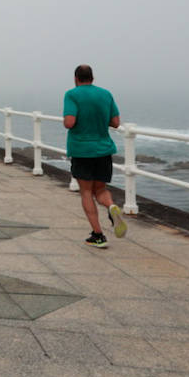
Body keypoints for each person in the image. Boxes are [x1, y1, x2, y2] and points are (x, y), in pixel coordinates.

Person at [63, 64, 126, 247]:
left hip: (82, 150)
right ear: (92, 78)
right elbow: (115, 122)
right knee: (101, 190)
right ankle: (111, 206)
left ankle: (98, 235)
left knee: (86, 192)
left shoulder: (72, 94)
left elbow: (69, 122)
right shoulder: (105, 94)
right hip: (103, 149)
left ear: (76, 79)